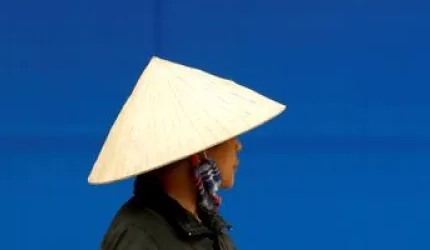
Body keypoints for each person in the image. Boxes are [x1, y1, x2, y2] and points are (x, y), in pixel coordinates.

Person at [89, 56, 285, 250]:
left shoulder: (208, 230)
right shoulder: (139, 238)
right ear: (200, 151)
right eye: (229, 135)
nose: (238, 146)